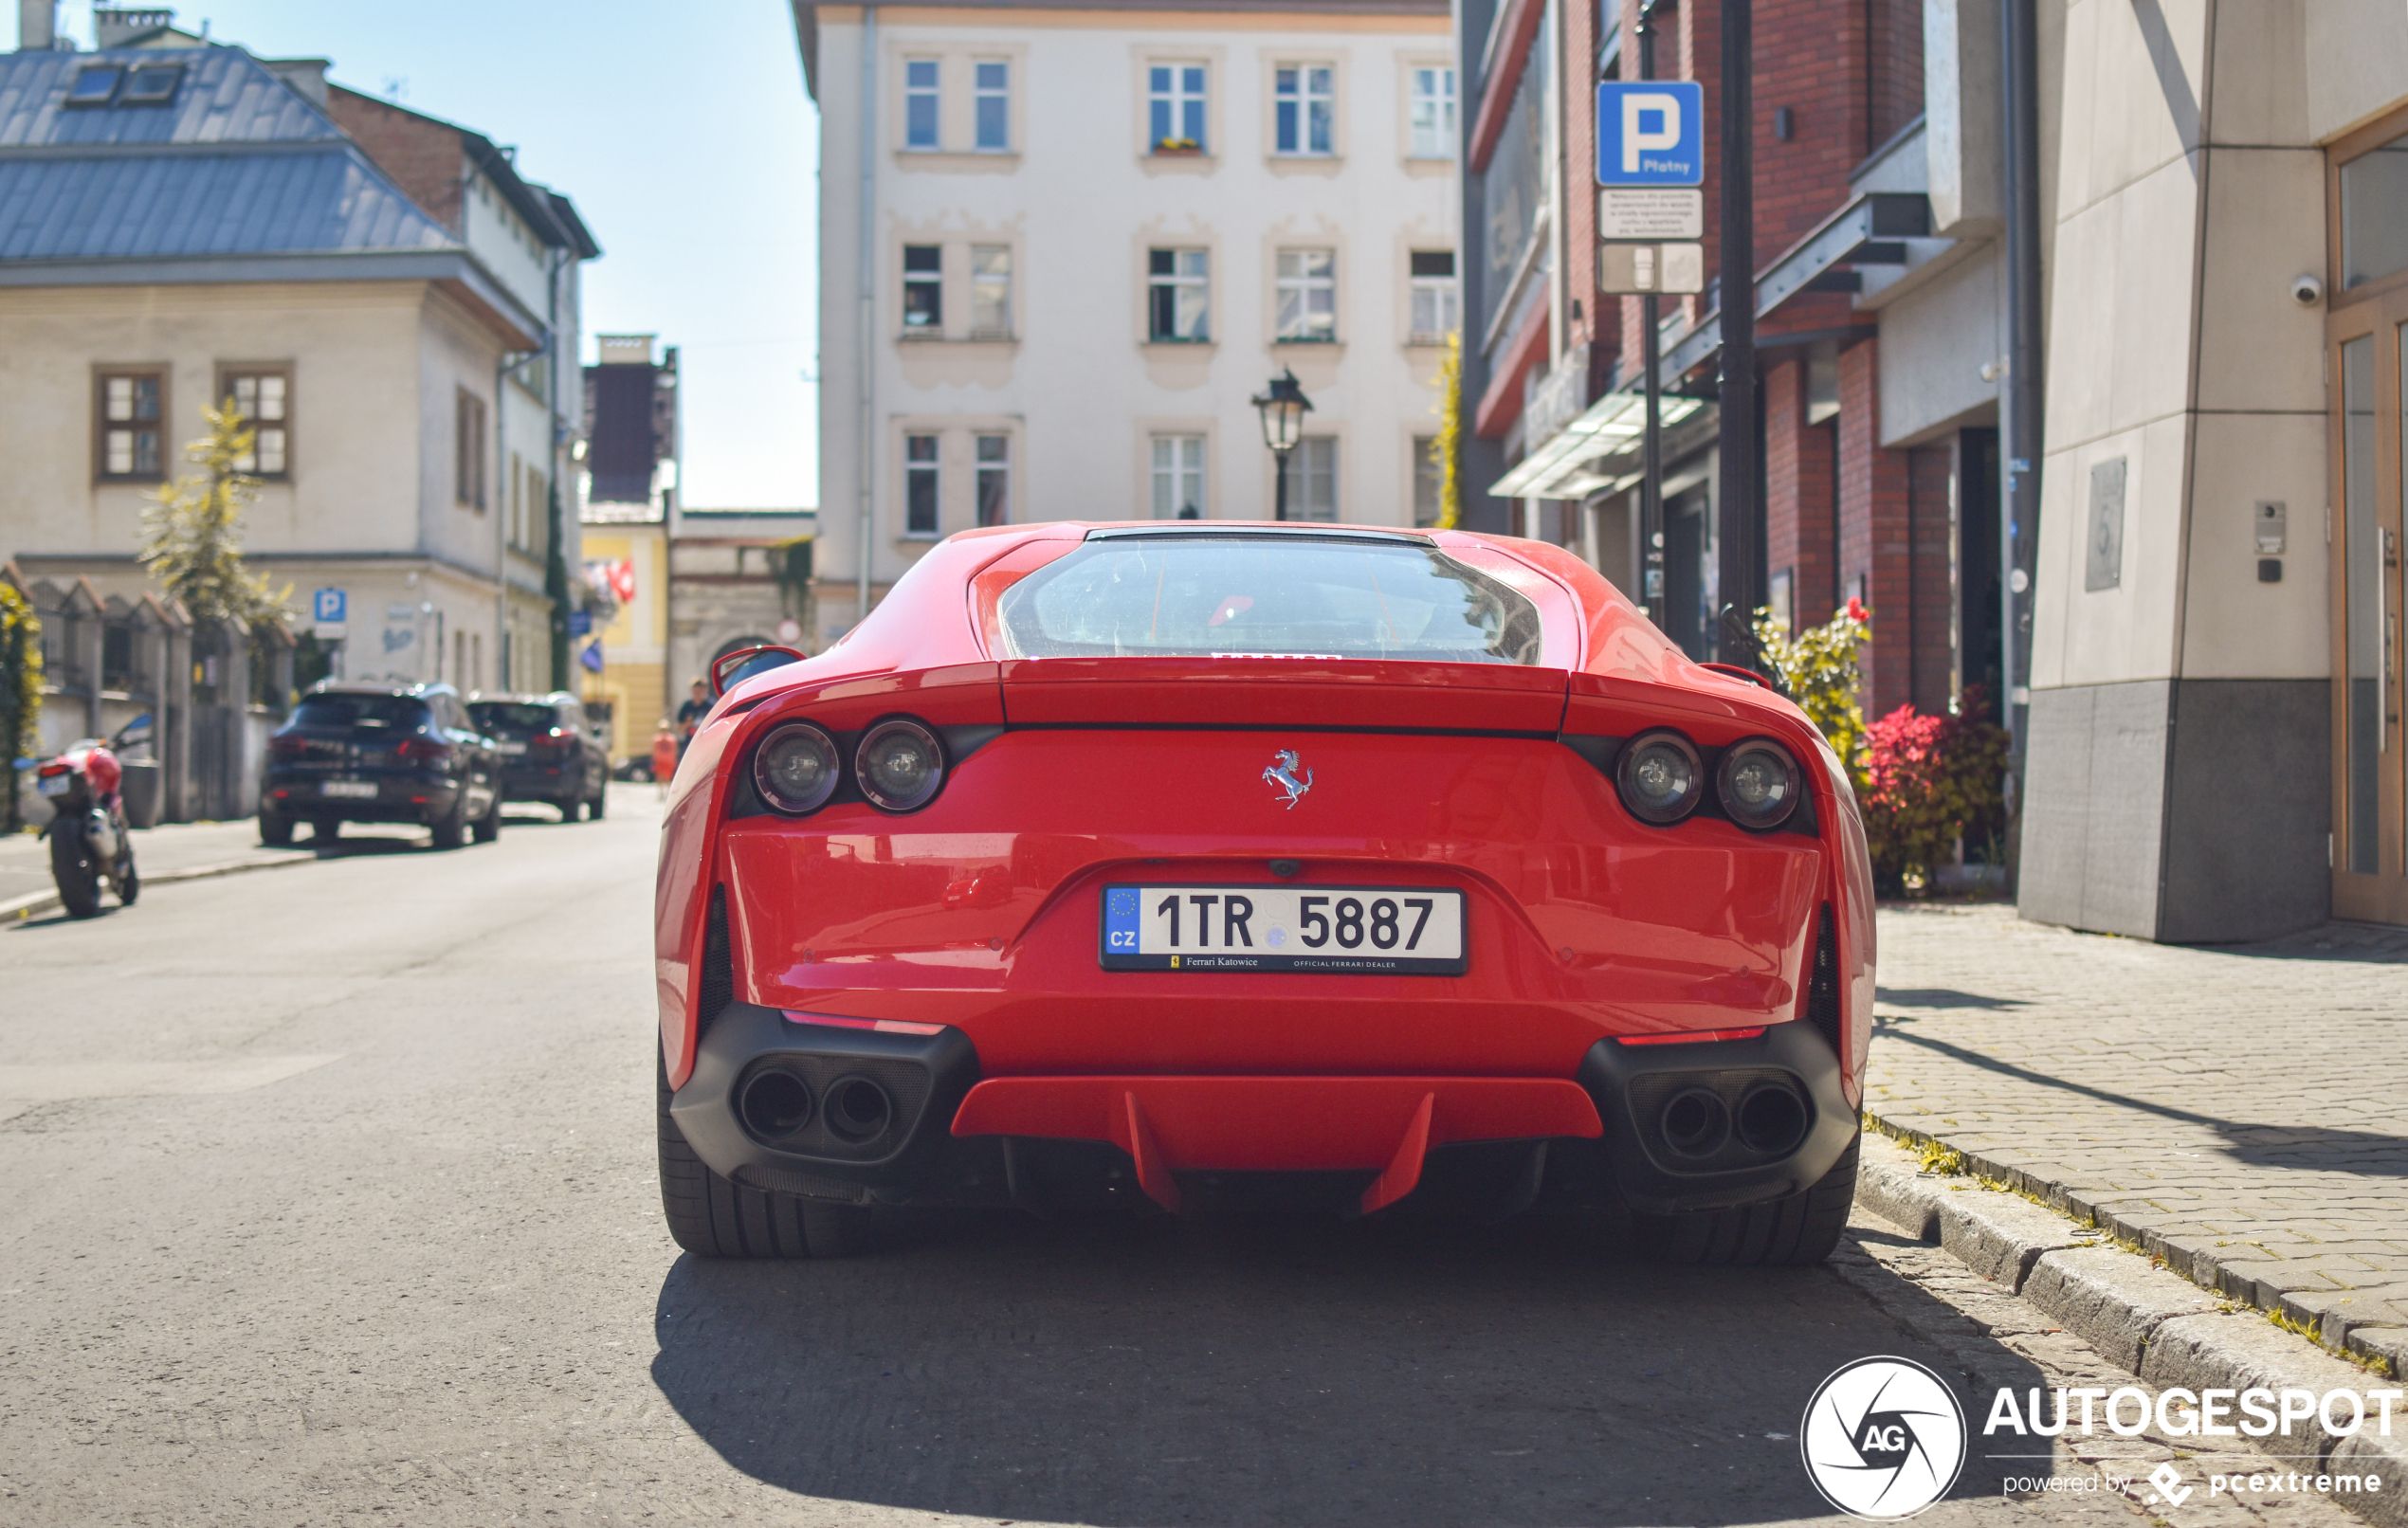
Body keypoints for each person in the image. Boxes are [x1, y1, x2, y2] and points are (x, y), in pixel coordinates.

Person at [675, 680, 710, 757]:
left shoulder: (710, 706)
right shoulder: (687, 707)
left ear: (705, 690)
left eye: (699, 691)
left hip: (706, 744)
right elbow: (679, 729)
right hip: (689, 744)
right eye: (695, 691)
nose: (697, 694)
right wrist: (688, 724)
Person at [650, 721, 680, 798]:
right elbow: (654, 750)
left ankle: (667, 792)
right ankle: (660, 792)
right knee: (659, 777)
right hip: (660, 760)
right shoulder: (656, 739)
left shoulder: (672, 739)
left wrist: (675, 760)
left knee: (667, 777)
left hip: (668, 761)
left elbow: (674, 750)